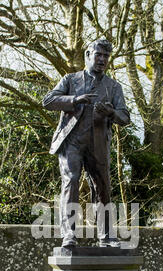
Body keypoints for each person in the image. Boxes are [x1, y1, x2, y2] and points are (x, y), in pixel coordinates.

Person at [43, 38, 130, 247]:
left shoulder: (113, 87)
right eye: (98, 55)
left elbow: (125, 118)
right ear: (88, 55)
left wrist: (110, 112)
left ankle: (106, 235)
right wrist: (74, 99)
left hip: (98, 143)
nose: (102, 60)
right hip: (72, 140)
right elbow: (48, 101)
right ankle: (69, 235)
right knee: (71, 180)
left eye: (106, 56)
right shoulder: (71, 80)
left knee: (103, 187)